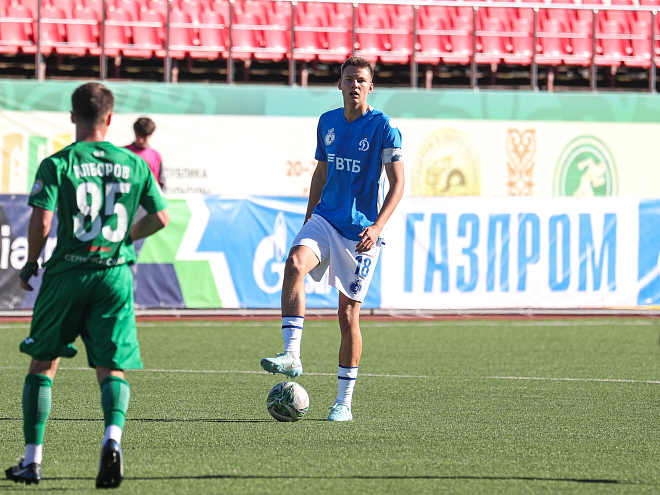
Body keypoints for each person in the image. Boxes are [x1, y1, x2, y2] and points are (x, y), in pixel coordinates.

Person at [5, 83, 169, 488]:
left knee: (43, 363)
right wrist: (126, 237)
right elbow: (161, 218)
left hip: (68, 273)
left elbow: (42, 222)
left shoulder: (58, 163)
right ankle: (112, 439)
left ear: (72, 116)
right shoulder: (134, 164)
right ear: (110, 119)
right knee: (111, 366)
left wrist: (30, 264)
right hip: (114, 275)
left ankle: (32, 460)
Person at [260, 57, 405, 422]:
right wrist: (309, 217)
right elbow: (321, 173)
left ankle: (343, 402)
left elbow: (398, 183)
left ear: (370, 87)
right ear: (339, 84)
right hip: (325, 219)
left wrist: (378, 227)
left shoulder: (384, 127)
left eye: (361, 80)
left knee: (347, 315)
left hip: (360, 233)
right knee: (294, 262)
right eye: (349, 79)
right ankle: (292, 354)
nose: (354, 84)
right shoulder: (327, 122)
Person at [125, 117, 166, 191]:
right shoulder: (123, 152)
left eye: (144, 137)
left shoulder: (156, 156)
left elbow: (161, 185)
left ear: (150, 134)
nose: (141, 140)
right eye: (138, 136)